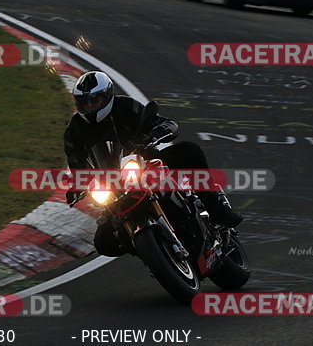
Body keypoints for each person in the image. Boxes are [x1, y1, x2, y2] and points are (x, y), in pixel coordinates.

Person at [63, 70, 242, 257]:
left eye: (95, 100)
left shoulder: (126, 106)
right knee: (104, 243)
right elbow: (76, 164)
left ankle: (215, 206)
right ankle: (150, 250)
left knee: (189, 151)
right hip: (114, 187)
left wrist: (158, 132)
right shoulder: (74, 130)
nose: (90, 106)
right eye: (84, 102)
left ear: (107, 96)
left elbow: (164, 123)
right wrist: (78, 186)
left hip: (146, 164)